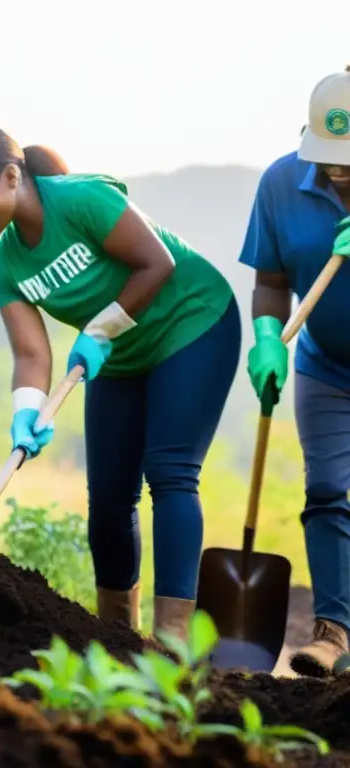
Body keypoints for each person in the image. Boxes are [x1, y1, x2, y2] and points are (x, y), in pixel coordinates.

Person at [0, 123, 241, 640]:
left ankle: (173, 643)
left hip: (193, 323)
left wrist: (99, 330)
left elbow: (156, 262)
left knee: (169, 473)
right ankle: (118, 636)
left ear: (11, 175)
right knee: (107, 495)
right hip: (118, 354)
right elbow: (31, 352)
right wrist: (26, 411)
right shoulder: (3, 266)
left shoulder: (82, 199)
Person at [237, 66, 350, 677]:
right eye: (328, 153)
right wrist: (265, 339)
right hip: (327, 366)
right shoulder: (282, 183)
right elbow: (270, 281)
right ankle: (334, 633)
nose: (338, 167)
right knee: (327, 491)